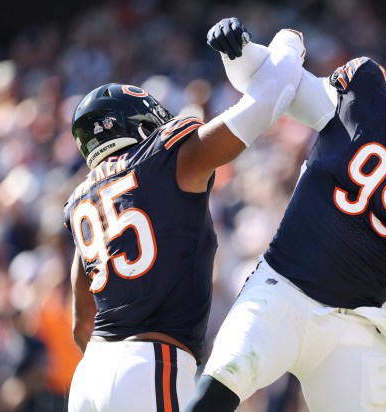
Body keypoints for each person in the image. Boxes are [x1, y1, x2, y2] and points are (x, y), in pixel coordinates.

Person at [184, 17, 386, 412]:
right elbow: (276, 85)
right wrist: (239, 51)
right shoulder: (365, 100)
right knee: (213, 394)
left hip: (353, 326)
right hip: (280, 292)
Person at [62, 27, 305, 412]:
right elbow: (268, 100)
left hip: (89, 375)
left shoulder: (81, 199)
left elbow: (82, 323)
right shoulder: (165, 156)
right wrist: (290, 39)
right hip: (151, 363)